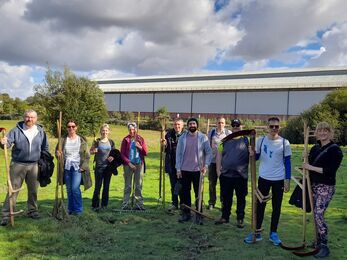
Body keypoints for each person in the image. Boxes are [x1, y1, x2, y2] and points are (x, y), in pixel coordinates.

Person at [244, 117, 291, 245]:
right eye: (271, 126)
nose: (274, 129)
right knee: (260, 205)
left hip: (279, 179)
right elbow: (257, 157)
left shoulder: (284, 143)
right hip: (264, 178)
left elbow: (287, 162)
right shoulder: (261, 140)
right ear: (267, 127)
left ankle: (273, 233)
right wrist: (252, 153)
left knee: (277, 207)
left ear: (279, 127)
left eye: (276, 126)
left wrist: (287, 180)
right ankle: (257, 232)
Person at [0, 109, 49, 226]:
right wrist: (3, 142)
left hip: (34, 165)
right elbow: (7, 144)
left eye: (32, 117)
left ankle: (32, 211)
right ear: (24, 117)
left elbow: (45, 147)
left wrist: (45, 161)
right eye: (27, 117)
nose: (29, 119)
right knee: (13, 190)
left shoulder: (40, 131)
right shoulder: (16, 130)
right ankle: (6, 215)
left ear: (36, 119)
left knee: (33, 190)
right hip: (18, 164)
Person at [303, 122, 343, 258]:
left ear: (330, 133)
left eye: (325, 131)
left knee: (319, 214)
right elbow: (307, 164)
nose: (322, 133)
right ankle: (317, 241)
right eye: (320, 131)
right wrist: (306, 157)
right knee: (315, 215)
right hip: (313, 185)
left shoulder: (335, 150)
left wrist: (310, 167)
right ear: (317, 133)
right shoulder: (315, 148)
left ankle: (324, 244)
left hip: (326, 186)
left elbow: (330, 171)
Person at [176, 118, 212, 223]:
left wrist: (206, 165)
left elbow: (209, 152)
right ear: (187, 126)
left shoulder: (203, 137)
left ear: (197, 125)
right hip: (184, 170)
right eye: (190, 124)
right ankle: (186, 214)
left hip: (198, 170)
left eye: (194, 123)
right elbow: (178, 154)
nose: (192, 125)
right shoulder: (182, 138)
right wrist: (178, 169)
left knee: (198, 193)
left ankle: (199, 214)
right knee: (185, 193)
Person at [215, 119, 249, 228]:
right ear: (231, 127)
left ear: (241, 126)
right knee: (226, 197)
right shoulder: (225, 140)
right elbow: (219, 154)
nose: (235, 127)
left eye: (237, 125)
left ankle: (240, 218)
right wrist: (218, 170)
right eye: (233, 125)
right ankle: (225, 217)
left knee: (241, 198)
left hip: (241, 175)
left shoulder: (246, 140)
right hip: (226, 175)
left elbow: (252, 154)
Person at [56, 120, 91, 215]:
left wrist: (84, 166)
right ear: (66, 128)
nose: (71, 128)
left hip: (77, 167)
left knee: (75, 189)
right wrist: (58, 154)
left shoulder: (82, 140)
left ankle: (78, 210)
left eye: (73, 126)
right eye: (69, 126)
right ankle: (70, 209)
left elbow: (87, 155)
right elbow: (58, 152)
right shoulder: (63, 140)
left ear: (76, 127)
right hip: (66, 167)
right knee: (69, 189)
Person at [120, 122, 148, 210]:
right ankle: (126, 204)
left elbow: (145, 152)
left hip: (139, 164)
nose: (132, 131)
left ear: (136, 129)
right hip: (128, 165)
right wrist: (129, 163)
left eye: (133, 129)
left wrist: (140, 147)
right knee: (128, 185)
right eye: (130, 129)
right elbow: (122, 154)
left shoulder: (140, 139)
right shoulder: (126, 140)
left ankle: (139, 204)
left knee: (138, 185)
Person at [207, 116, 232, 210]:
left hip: (224, 162)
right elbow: (207, 146)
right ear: (216, 123)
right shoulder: (212, 133)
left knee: (223, 183)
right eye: (219, 122)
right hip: (212, 162)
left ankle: (223, 202)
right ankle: (212, 202)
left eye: (222, 123)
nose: (220, 124)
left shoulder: (228, 133)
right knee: (212, 183)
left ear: (225, 124)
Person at [90, 124, 116, 211]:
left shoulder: (111, 142)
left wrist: (112, 157)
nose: (104, 132)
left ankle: (104, 205)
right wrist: (94, 151)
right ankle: (95, 206)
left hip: (108, 168)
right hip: (99, 167)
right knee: (98, 187)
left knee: (106, 187)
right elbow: (90, 151)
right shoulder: (97, 142)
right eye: (103, 130)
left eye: (106, 130)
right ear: (101, 131)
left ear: (109, 131)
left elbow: (114, 153)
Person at [161, 117, 185, 211]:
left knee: (182, 185)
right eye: (175, 124)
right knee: (173, 185)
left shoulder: (186, 135)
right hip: (172, 164)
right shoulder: (169, 134)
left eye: (179, 124)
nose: (177, 126)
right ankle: (174, 203)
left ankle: (183, 203)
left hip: (183, 165)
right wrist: (164, 145)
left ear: (182, 125)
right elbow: (165, 149)